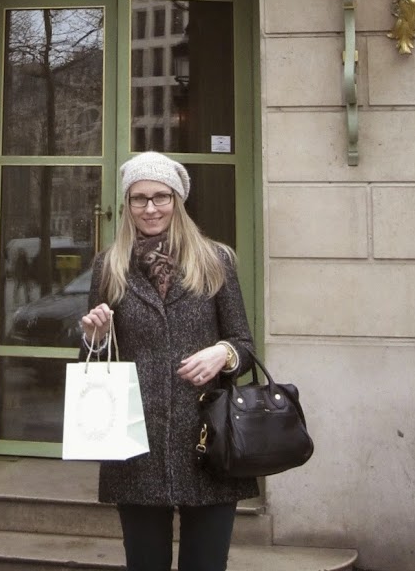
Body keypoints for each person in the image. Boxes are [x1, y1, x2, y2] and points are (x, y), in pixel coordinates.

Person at [81, 152, 258, 571]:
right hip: (134, 442)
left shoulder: (216, 261)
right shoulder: (110, 266)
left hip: (206, 440)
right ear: (127, 205)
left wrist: (223, 353)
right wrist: (94, 337)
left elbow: (244, 346)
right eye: (139, 199)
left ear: (177, 200)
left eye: (160, 197)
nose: (150, 208)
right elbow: (93, 363)